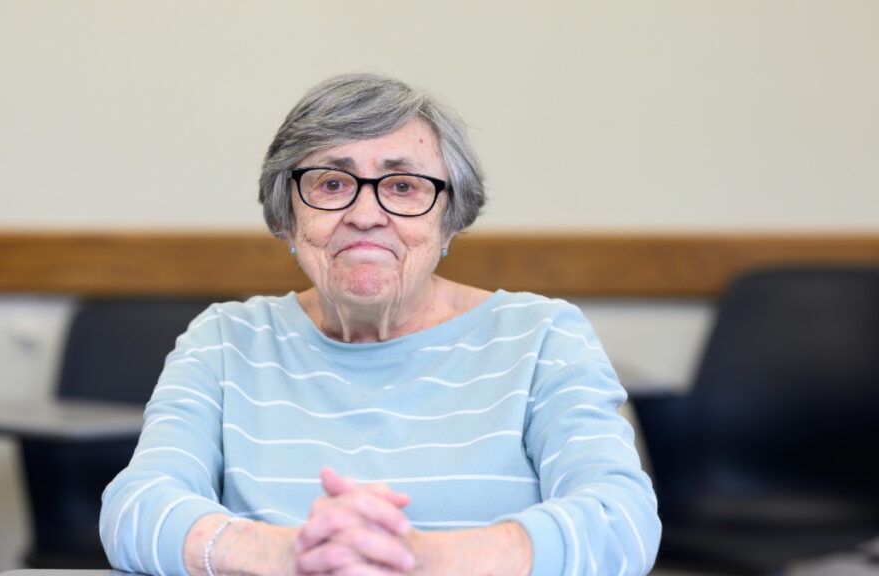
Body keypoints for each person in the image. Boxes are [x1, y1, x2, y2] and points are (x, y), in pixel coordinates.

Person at [100, 73, 661, 576]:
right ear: (287, 218)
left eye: (403, 187)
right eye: (331, 183)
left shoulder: (542, 337)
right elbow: (136, 508)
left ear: (449, 223)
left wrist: (422, 560)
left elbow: (622, 523)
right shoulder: (225, 340)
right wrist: (287, 555)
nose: (366, 215)